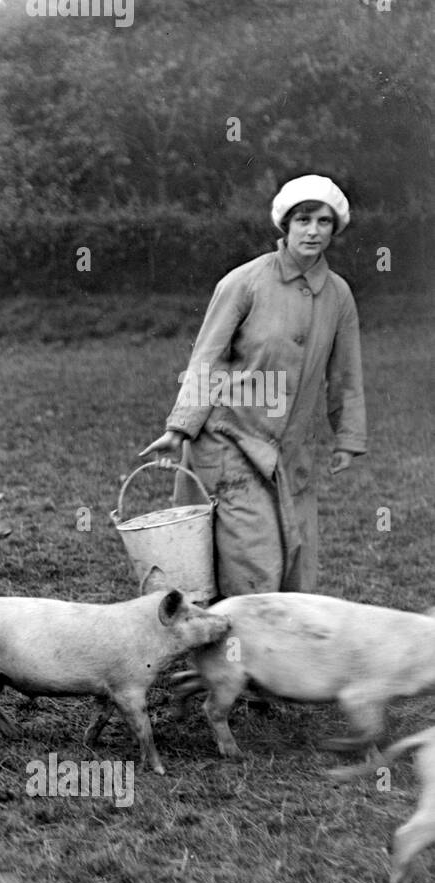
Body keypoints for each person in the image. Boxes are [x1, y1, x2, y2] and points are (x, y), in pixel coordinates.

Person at [140, 174, 365, 598]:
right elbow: (205, 357)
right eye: (302, 219)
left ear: (335, 228)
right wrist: (179, 428)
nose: (312, 231)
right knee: (253, 564)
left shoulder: (339, 295)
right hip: (229, 441)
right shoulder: (243, 282)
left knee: (296, 561)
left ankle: (266, 652)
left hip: (289, 451)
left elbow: (346, 371)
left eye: (323, 221)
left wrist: (348, 438)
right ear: (285, 224)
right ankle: (236, 654)